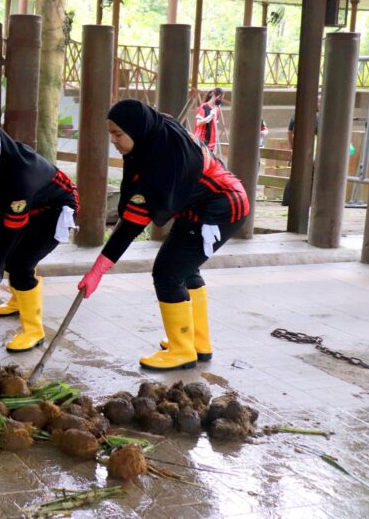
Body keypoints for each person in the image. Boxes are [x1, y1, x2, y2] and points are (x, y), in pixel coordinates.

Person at [77, 100, 249, 371]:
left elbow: (131, 226)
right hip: (205, 206)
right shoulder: (157, 133)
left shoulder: (163, 163)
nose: (113, 140)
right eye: (110, 133)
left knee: (167, 274)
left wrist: (98, 269)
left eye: (118, 134)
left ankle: (182, 351)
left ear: (137, 129)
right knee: (184, 269)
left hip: (219, 209)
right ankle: (197, 342)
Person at [0, 123, 79, 352]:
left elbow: (11, 231)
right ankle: (18, 301)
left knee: (20, 264)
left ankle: (34, 331)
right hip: (29, 204)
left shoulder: (23, 174)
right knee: (13, 257)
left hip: (55, 208)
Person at [193, 87, 224, 152]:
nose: (220, 100)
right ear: (214, 95)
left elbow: (214, 126)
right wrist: (209, 117)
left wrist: (215, 142)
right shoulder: (204, 107)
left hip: (212, 143)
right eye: (220, 97)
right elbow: (198, 123)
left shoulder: (217, 109)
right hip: (202, 141)